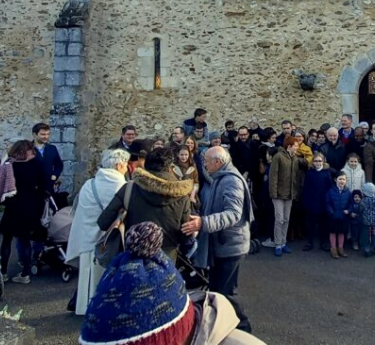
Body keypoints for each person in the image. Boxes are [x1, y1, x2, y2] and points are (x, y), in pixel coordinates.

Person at [79, 222, 265, 345]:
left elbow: (104, 220)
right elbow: (185, 230)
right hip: (168, 261)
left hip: (217, 249)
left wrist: (204, 222)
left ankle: (244, 322)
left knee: (228, 288)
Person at [181, 146, 254, 333]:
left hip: (230, 246)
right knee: (216, 289)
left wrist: (203, 223)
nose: (203, 164)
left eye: (206, 161)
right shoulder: (218, 178)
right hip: (222, 244)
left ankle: (243, 330)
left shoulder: (231, 181)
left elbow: (233, 214)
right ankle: (226, 328)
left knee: (225, 293)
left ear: (218, 162)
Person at [99, 148, 193, 262]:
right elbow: (186, 235)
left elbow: (103, 222)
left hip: (133, 253)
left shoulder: (129, 188)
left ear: (146, 166)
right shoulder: (182, 195)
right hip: (166, 256)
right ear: (170, 168)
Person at [65, 149, 129, 315]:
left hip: (87, 237)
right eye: (126, 164)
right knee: (106, 277)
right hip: (108, 241)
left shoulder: (89, 184)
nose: (127, 168)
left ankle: (84, 307)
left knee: (87, 277)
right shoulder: (121, 185)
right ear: (119, 164)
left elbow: (80, 210)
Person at [0, 140, 48, 284]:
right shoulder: (37, 163)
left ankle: (3, 272)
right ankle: (25, 273)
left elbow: (0, 184)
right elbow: (44, 186)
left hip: (13, 204)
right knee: (25, 239)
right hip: (30, 204)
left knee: (6, 240)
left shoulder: (10, 165)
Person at [269, 136, 301, 256]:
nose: (297, 148)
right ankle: (277, 244)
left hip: (290, 193)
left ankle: (283, 242)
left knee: (286, 219)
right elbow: (273, 176)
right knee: (279, 219)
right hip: (278, 194)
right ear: (289, 146)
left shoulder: (295, 158)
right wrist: (273, 193)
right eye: (295, 146)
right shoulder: (278, 157)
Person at [302, 152, 333, 251]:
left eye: (320, 161)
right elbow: (306, 188)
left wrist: (329, 202)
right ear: (313, 162)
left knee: (323, 225)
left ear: (323, 161)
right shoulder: (310, 172)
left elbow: (330, 188)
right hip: (312, 202)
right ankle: (309, 242)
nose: (318, 163)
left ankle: (323, 243)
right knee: (310, 224)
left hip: (323, 202)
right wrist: (306, 202)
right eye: (316, 161)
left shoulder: (327, 173)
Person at [32, 123, 63, 195]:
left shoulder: (52, 149)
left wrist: (55, 175)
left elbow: (59, 165)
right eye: (43, 134)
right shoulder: (27, 149)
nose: (46, 137)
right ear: (34, 134)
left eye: (48, 134)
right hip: (32, 187)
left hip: (48, 186)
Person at [326, 173, 352, 259]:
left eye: (343, 179)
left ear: (346, 181)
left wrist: (348, 210)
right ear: (335, 180)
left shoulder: (348, 192)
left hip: (343, 216)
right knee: (333, 232)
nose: (342, 181)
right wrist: (331, 212)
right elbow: (327, 202)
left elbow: (351, 203)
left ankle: (340, 248)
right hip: (333, 216)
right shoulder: (331, 191)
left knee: (341, 232)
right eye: (340, 179)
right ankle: (333, 249)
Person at [358, 183, 375, 257]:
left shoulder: (363, 201)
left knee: (366, 237)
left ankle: (367, 249)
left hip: (366, 223)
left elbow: (360, 210)